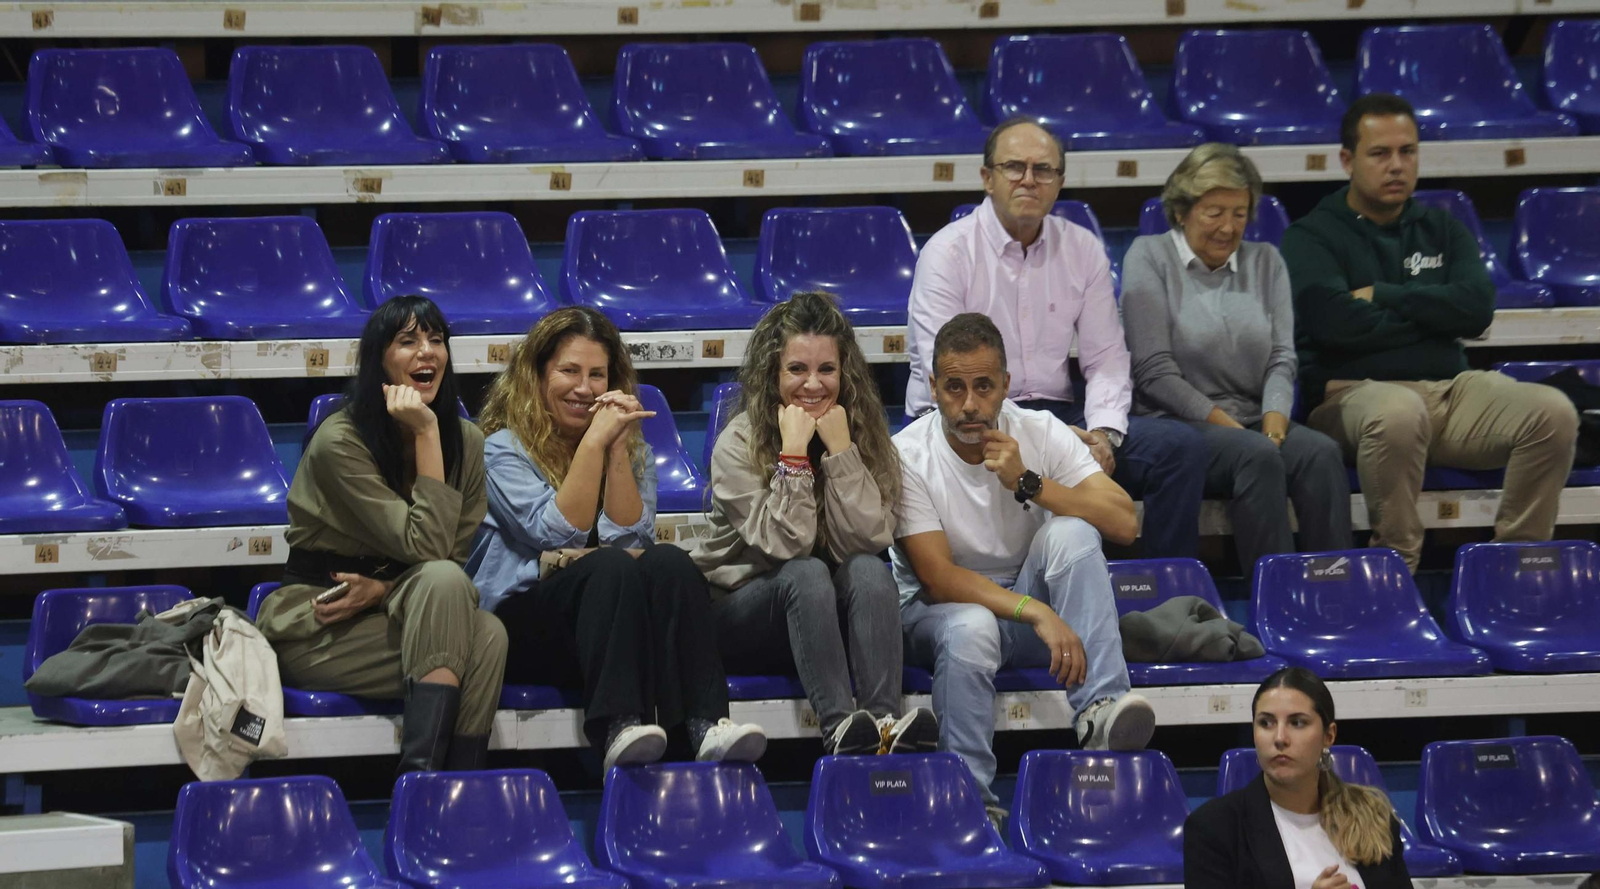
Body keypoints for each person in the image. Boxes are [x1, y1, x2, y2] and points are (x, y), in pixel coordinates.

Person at [1280, 93, 1578, 572]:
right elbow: (1335, 323)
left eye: (1408, 151)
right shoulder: (1311, 236)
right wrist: (1435, 321)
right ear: (1347, 160)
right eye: (1380, 153)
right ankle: (1396, 568)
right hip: (1351, 397)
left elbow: (1478, 309)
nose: (1396, 165)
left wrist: (1383, 295)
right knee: (1398, 413)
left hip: (1451, 394)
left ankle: (1515, 565)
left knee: (1553, 413)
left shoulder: (1442, 227)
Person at [468, 307, 765, 772]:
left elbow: (631, 539)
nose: (584, 389)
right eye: (569, 371)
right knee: (608, 567)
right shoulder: (501, 449)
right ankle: (619, 724)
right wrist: (592, 445)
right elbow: (553, 529)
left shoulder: (628, 448)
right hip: (521, 628)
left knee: (668, 561)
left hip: (606, 629)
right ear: (538, 377)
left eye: (597, 375)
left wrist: (617, 449)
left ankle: (707, 723)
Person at [905, 117, 1207, 558]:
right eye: (1014, 167)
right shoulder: (947, 253)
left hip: (1062, 415)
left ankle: (1166, 595)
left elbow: (1105, 358)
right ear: (987, 178)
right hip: (969, 411)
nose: (1029, 180)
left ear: (1060, 182)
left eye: (1043, 170)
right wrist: (1053, 437)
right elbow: (947, 374)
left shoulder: (1082, 248)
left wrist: (1103, 433)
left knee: (1180, 450)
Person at [894, 312, 1155, 811]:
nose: (970, 404)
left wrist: (1030, 482)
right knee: (972, 626)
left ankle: (1101, 710)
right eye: (954, 387)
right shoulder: (907, 454)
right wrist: (1037, 611)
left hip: (1031, 619)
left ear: (1006, 385)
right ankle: (972, 807)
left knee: (1074, 532)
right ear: (932, 387)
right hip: (941, 617)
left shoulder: (1038, 430)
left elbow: (1124, 522)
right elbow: (938, 577)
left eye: (984, 386)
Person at [257, 295, 506, 774]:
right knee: (475, 632)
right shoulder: (340, 441)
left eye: (436, 340)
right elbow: (429, 549)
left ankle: (453, 788)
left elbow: (446, 562)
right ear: (380, 361)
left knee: (489, 631)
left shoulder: (469, 443)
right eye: (407, 341)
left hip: (406, 610)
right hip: (321, 624)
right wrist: (427, 433)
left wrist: (383, 591)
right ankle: (424, 787)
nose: (426, 352)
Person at [691, 292, 938, 756]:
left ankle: (882, 725)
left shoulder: (859, 433)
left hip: (823, 621)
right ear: (772, 374)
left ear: (845, 375)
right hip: (742, 614)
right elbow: (789, 546)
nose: (813, 384)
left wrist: (842, 454)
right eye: (797, 369)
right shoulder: (738, 441)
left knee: (868, 569)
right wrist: (793, 457)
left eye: (827, 369)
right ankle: (842, 729)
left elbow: (869, 541)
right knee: (806, 573)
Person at [1123, 143, 1352, 571]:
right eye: (1215, 212)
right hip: (1178, 425)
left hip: (1257, 419)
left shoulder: (1266, 261)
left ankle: (1335, 592)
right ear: (1182, 211)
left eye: (1239, 213)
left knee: (1320, 452)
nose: (1229, 227)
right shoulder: (1148, 256)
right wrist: (1237, 430)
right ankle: (1275, 601)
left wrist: (1274, 421)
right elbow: (1153, 373)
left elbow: (1283, 357)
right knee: (1257, 455)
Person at [1184, 667, 1412, 889]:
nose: (1280, 738)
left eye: (1297, 723)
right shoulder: (1214, 828)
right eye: (1266, 723)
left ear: (1328, 735)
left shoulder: (1370, 818)